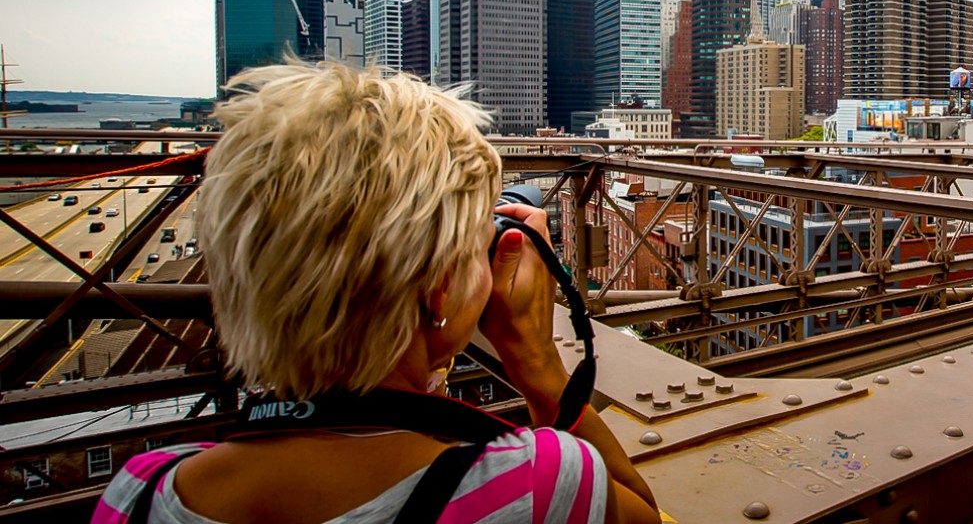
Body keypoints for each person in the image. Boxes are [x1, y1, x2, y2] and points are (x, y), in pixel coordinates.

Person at [93, 60, 658, 523]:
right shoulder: (535, 488)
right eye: (474, 246)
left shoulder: (140, 494)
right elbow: (644, 516)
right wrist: (535, 361)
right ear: (439, 291)